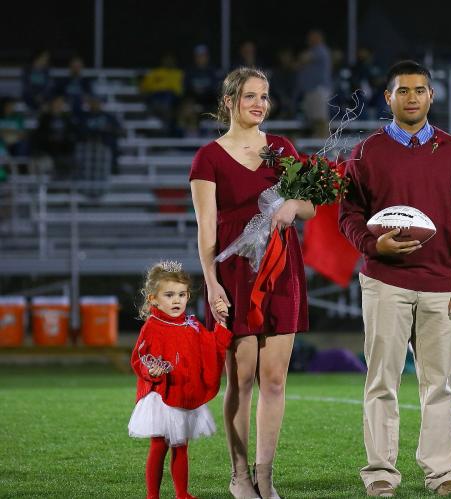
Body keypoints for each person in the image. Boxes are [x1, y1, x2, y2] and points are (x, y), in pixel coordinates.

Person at [339, 60, 451, 497]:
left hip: (441, 284)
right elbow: (349, 214)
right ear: (389, 98)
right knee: (382, 380)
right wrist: (370, 245)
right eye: (403, 90)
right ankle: (380, 472)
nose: (412, 97)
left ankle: (442, 474)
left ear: (431, 96)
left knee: (439, 384)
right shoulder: (365, 152)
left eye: (420, 90)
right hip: (385, 281)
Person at [190, 67, 315, 499]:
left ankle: (265, 475)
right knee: (240, 380)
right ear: (230, 102)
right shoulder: (208, 156)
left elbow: (311, 207)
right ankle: (239, 475)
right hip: (235, 274)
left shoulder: (281, 147)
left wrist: (293, 206)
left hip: (282, 269)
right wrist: (211, 283)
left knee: (275, 381)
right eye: (250, 96)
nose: (260, 104)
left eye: (264, 96)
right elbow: (206, 230)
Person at [128, 260, 233, 499]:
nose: (177, 300)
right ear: (153, 299)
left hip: (184, 393)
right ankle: (152, 495)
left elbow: (210, 348)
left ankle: (181, 493)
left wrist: (222, 324)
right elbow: (140, 357)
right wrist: (150, 371)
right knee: (159, 446)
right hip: (161, 396)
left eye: (182, 294)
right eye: (169, 294)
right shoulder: (153, 326)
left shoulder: (193, 325)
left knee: (181, 446)